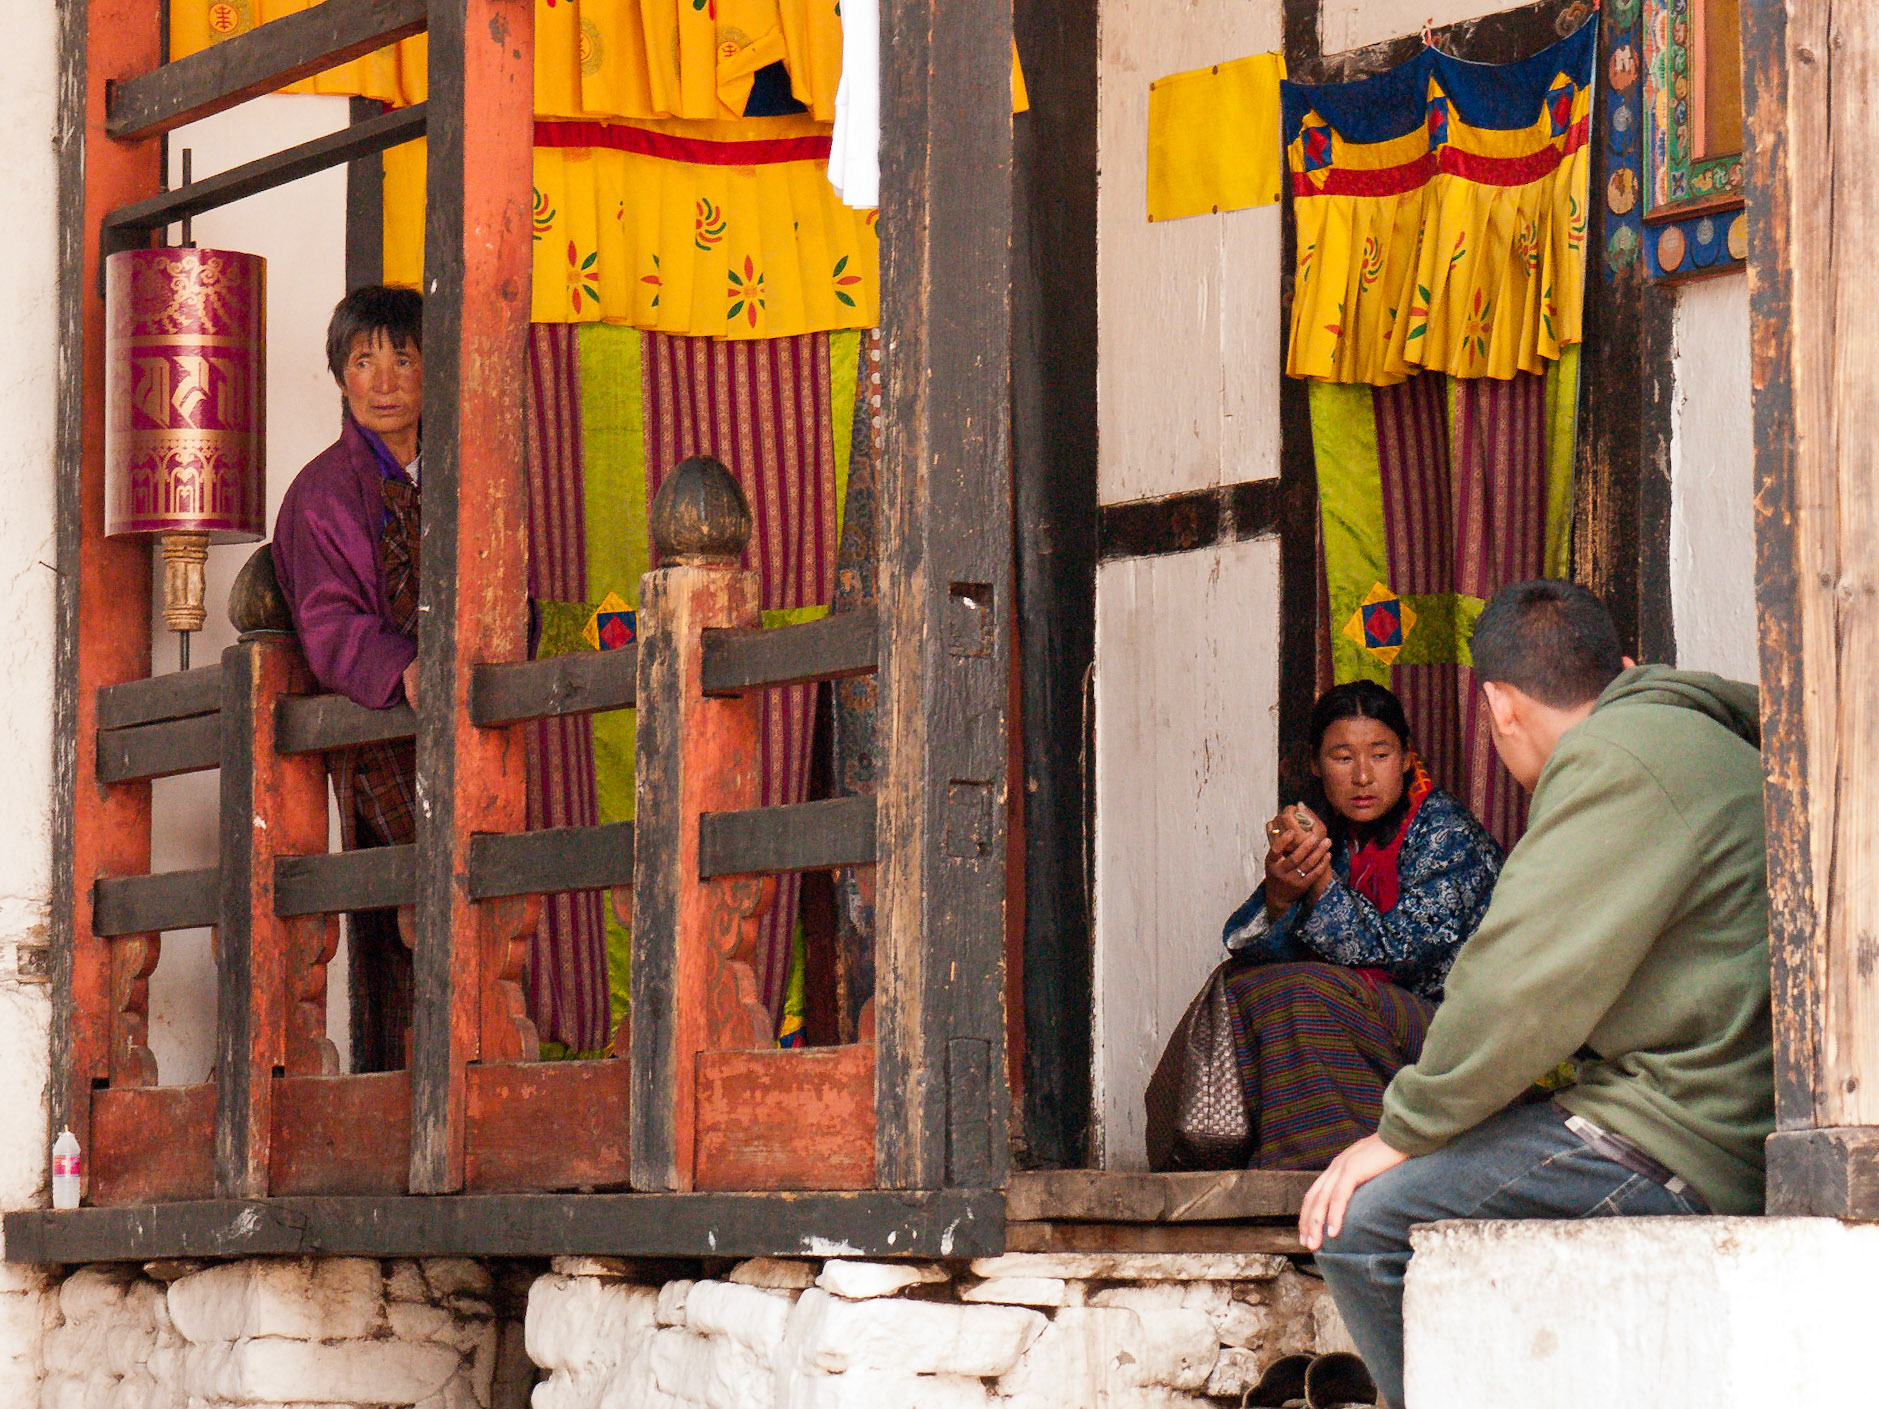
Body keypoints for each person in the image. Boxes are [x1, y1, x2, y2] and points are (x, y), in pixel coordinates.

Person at [1298, 580, 1773, 1409]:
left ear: (1498, 705)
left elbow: (1518, 982)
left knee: (1358, 1224)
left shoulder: (1614, 759)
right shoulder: (1689, 735)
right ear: (1622, 668)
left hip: (1680, 1131)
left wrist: (1404, 1129)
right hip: (1727, 1112)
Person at [1219, 681, 1502, 1170]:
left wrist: (1321, 883)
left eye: (1381, 754)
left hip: (1459, 1033)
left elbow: (1397, 951)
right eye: (1343, 757)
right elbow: (1252, 947)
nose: (1364, 776)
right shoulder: (1336, 837)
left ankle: (1315, 1164)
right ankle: (1312, 1149)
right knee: (1242, 984)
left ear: (1409, 757)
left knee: (1304, 991)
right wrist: (1282, 894)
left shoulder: (1447, 833)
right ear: (1315, 764)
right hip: (1380, 1017)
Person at [271, 285, 425, 1072]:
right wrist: (405, 669)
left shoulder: (465, 473)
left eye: (403, 355)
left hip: (464, 724)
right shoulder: (321, 493)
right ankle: (403, 1081)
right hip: (382, 735)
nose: (386, 377)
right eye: (365, 359)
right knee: (405, 909)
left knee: (490, 890)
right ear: (340, 376)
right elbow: (328, 627)